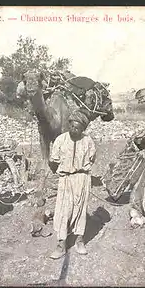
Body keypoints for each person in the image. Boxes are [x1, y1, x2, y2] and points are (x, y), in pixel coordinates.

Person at [48, 110, 97, 259]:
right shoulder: (60, 140)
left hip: (82, 179)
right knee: (64, 211)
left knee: (80, 210)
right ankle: (61, 244)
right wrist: (63, 171)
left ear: (83, 129)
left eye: (78, 128)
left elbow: (92, 158)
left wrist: (80, 169)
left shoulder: (88, 141)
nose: (74, 130)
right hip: (66, 179)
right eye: (72, 127)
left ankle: (79, 240)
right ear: (69, 125)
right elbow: (53, 161)